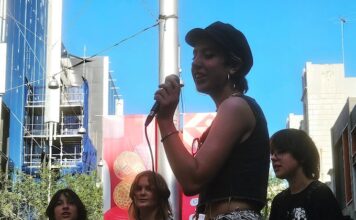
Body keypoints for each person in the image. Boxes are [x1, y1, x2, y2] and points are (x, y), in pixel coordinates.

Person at [154, 21, 270, 219]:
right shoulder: (234, 108)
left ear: (233, 65)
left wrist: (165, 121)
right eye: (195, 55)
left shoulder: (235, 107)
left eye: (208, 55)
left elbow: (192, 179)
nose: (196, 62)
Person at [269, 128, 345, 220]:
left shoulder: (321, 194)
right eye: (272, 153)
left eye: (281, 151)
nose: (273, 157)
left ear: (301, 155)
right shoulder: (278, 202)